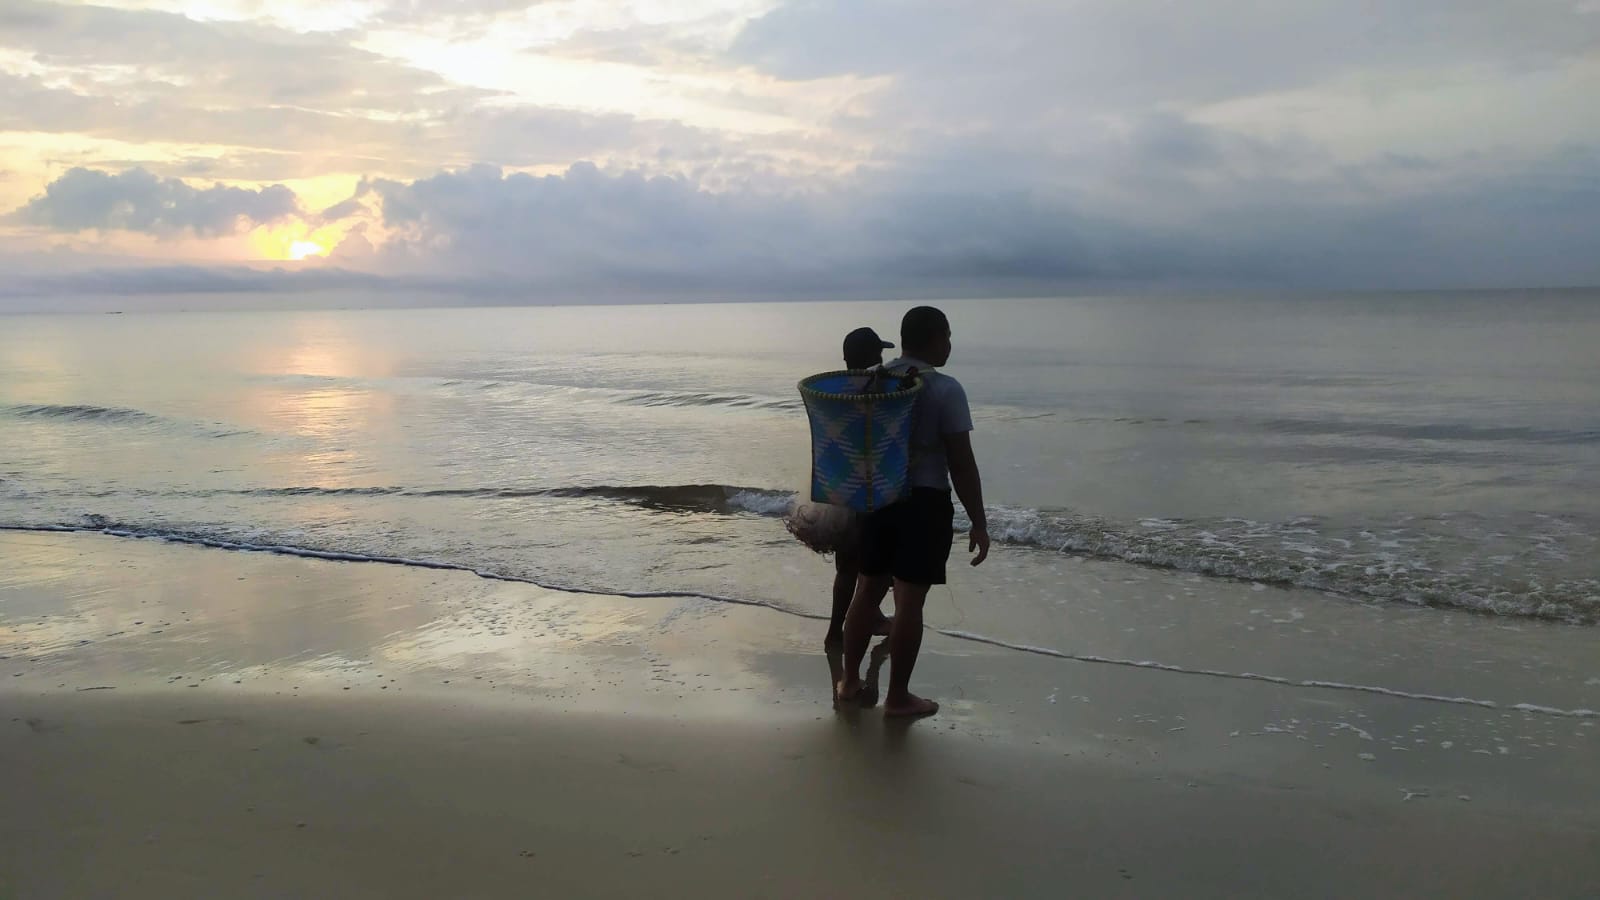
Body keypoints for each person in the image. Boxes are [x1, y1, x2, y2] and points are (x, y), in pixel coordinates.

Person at [835, 306, 989, 718]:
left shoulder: (877, 381)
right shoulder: (945, 389)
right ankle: (898, 697)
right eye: (948, 337)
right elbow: (961, 461)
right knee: (909, 604)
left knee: (867, 590)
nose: (951, 345)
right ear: (935, 338)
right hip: (924, 501)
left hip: (879, 499)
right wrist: (979, 520)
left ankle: (849, 681)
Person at [821, 326, 898, 647]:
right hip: (873, 489)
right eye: (878, 352)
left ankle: (834, 631)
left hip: (841, 489)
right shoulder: (878, 393)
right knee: (878, 566)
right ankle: (871, 619)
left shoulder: (835, 393)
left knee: (847, 566)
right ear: (871, 357)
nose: (883, 357)